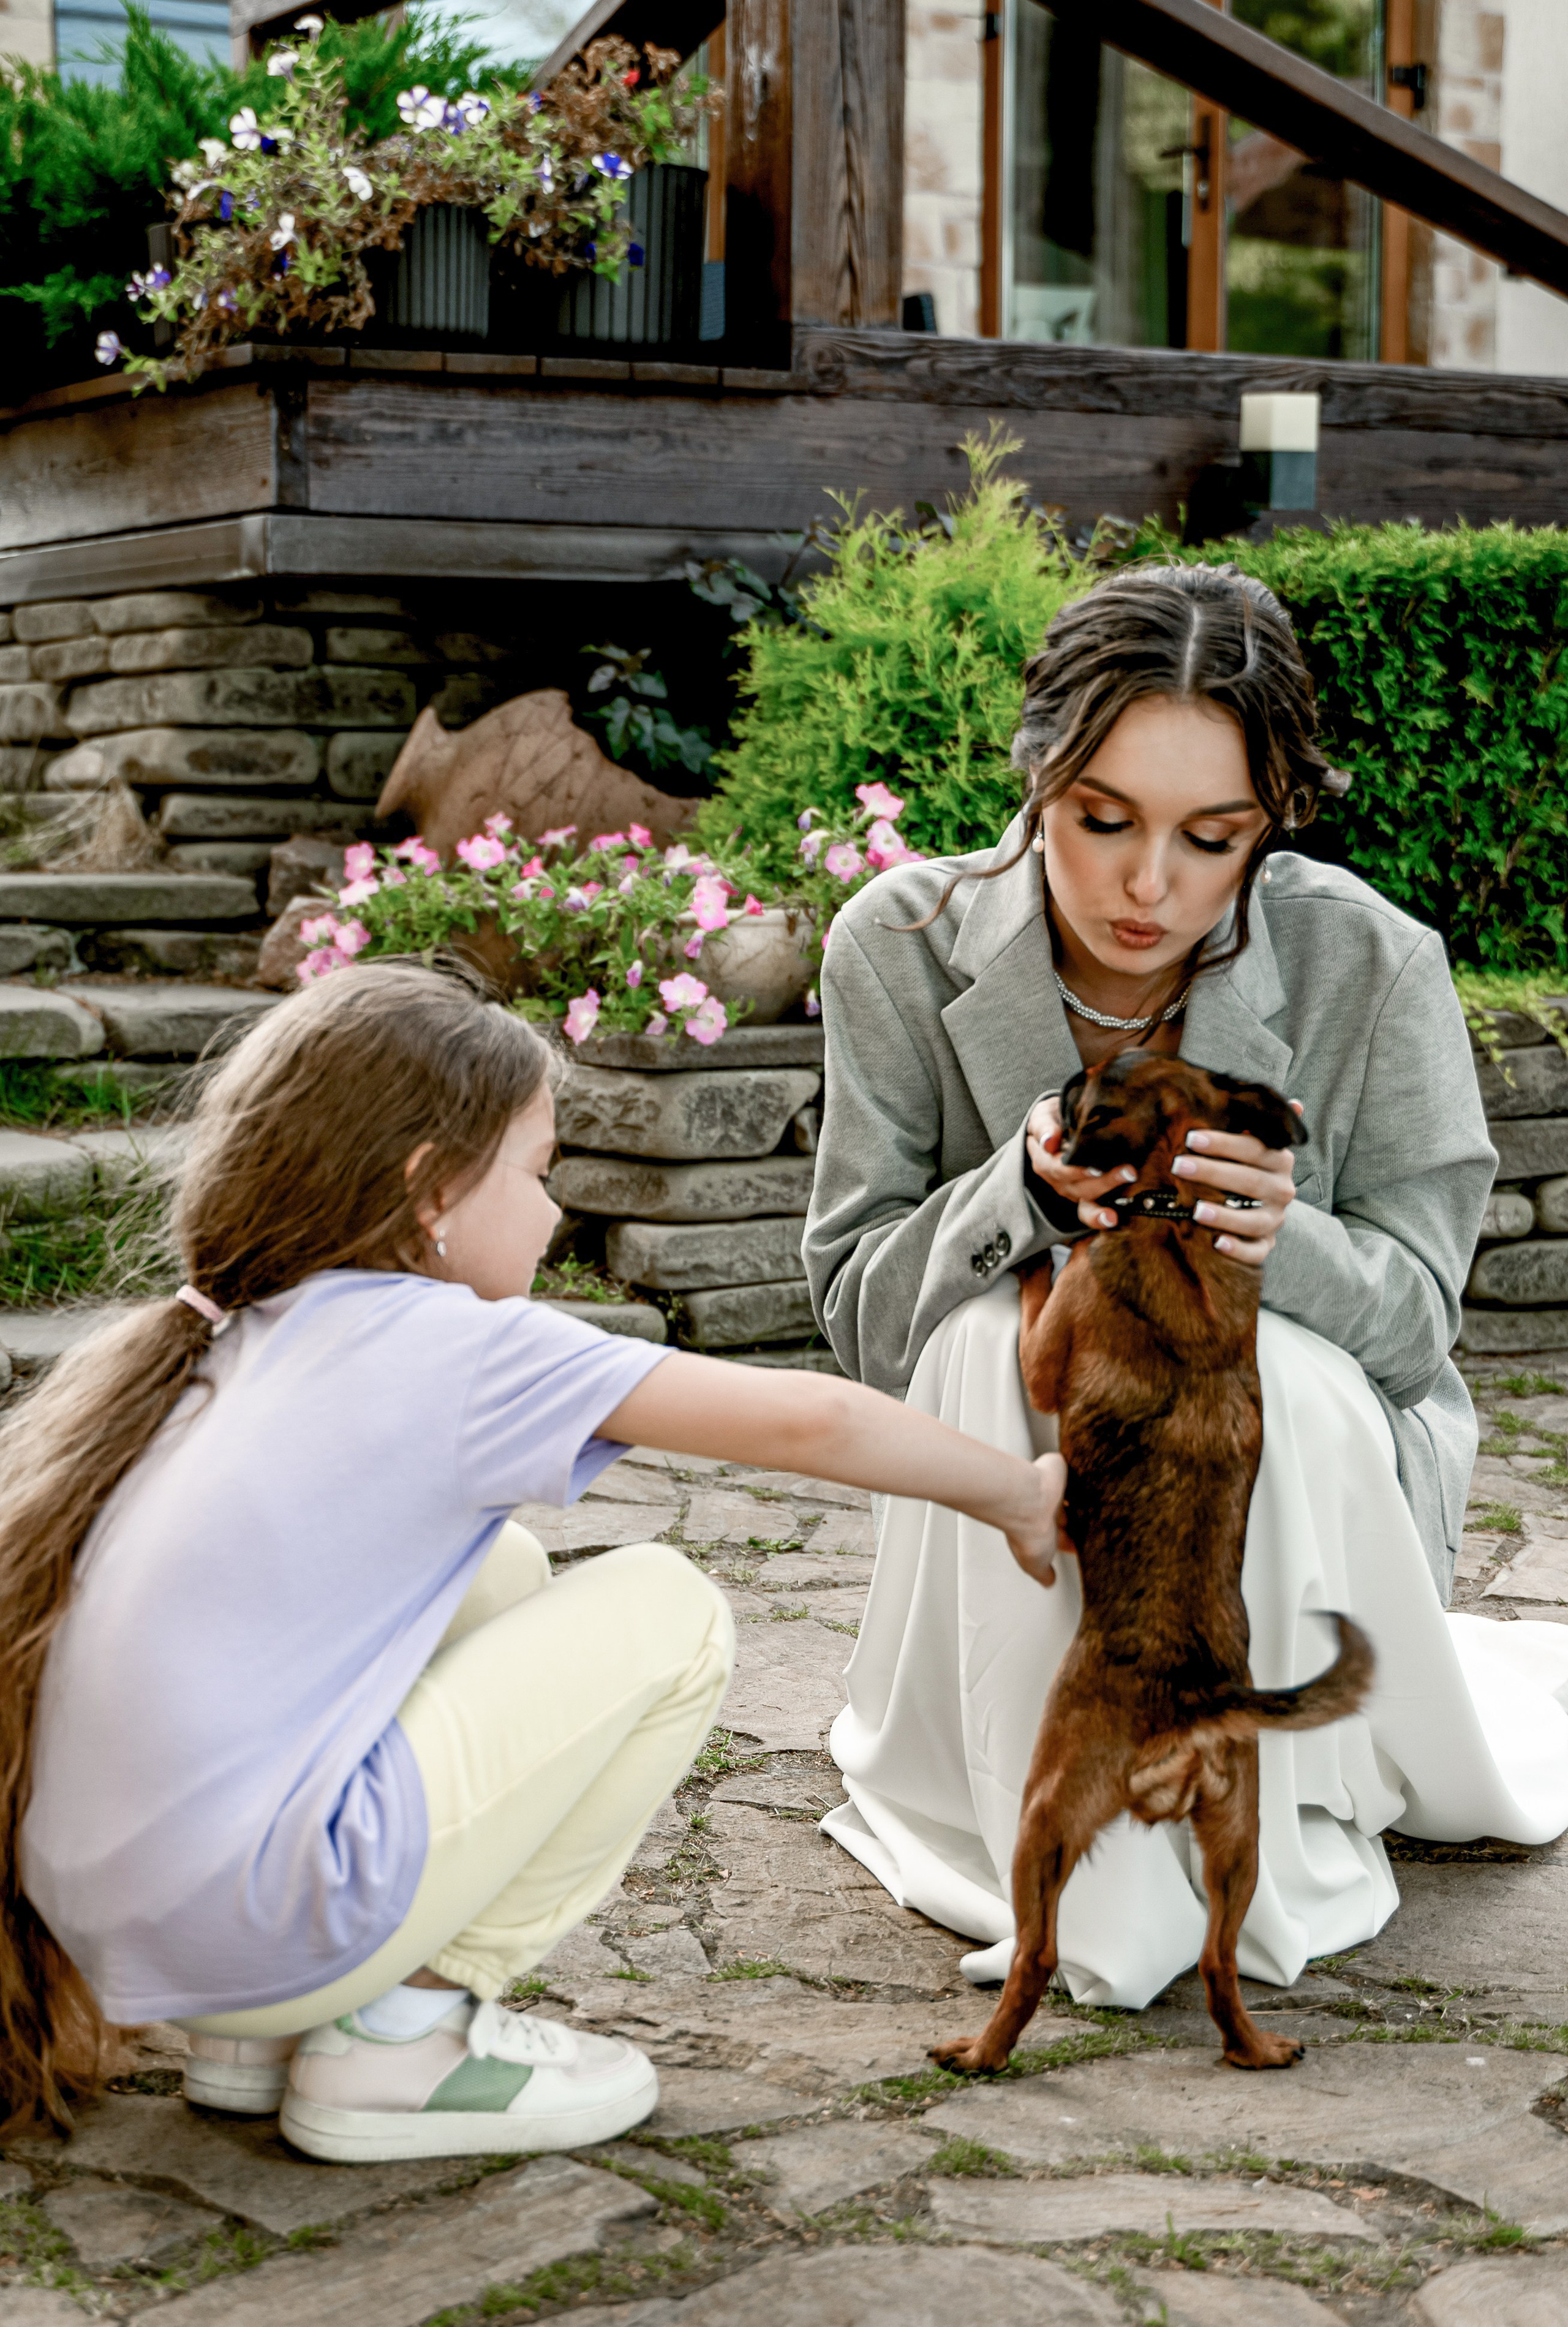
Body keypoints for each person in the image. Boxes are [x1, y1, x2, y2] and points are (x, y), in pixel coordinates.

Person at [1, 957, 1066, 2160]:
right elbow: (801, 1421)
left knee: (497, 1571)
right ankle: (406, 2037)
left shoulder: (232, 1334)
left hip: (131, 1938)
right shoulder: (457, 1346)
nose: (554, 1212)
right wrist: (1013, 1490)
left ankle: (258, 2046)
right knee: (667, 1608)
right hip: (256, 1928)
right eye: (537, 1170)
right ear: (429, 1193)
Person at [804, 560, 1568, 2007]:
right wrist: (1017, 1198)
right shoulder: (893, 949)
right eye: (1100, 823)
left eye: (1210, 839)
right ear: (1036, 779)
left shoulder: (1372, 962)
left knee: (1284, 1360)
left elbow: (1416, 1334)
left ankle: (1241, 1793)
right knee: (985, 1328)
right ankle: (1032, 1791)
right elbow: (858, 1315)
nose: (1147, 885)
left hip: (1310, 1474)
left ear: (1267, 821)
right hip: (1021, 1445)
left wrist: (1288, 1241)